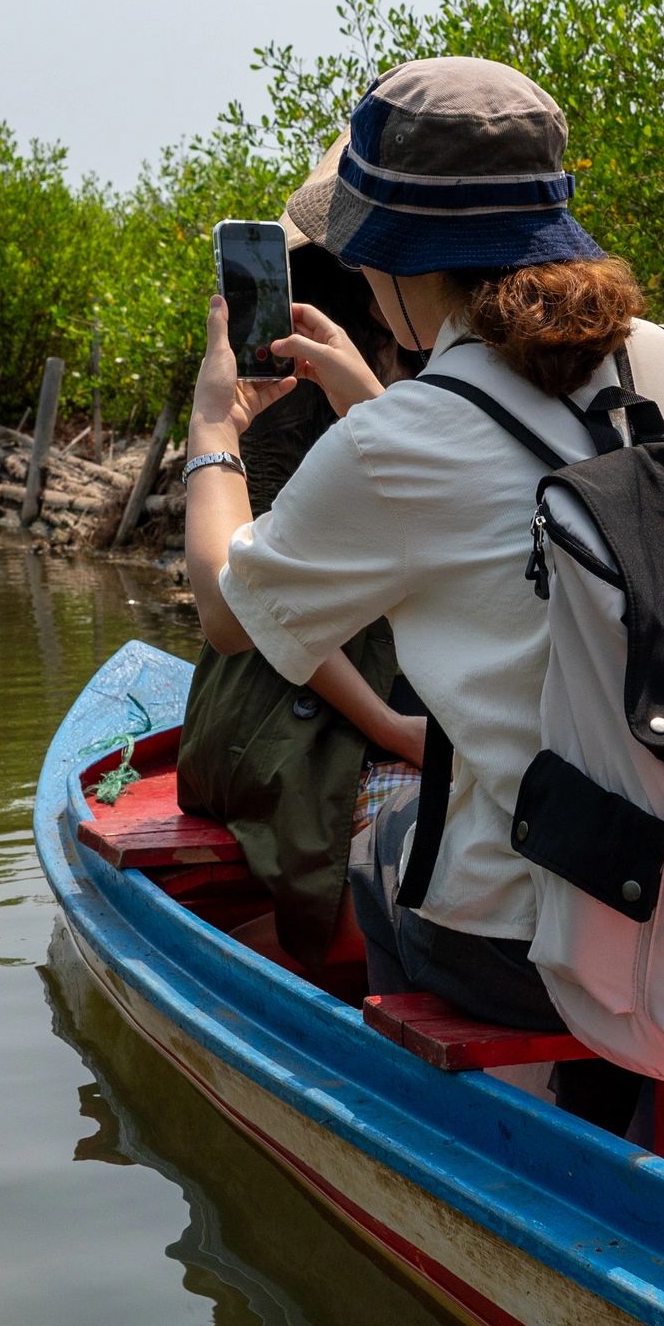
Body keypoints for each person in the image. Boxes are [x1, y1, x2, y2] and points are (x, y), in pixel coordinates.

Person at [180, 57, 664, 1131]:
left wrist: (213, 431)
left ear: (385, 256)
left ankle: (497, 1128)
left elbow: (222, 604)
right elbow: (503, 461)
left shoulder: (405, 436)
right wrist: (372, 399)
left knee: (380, 856)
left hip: (558, 933)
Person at [177, 146, 424, 981]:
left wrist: (211, 429)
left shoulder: (368, 375)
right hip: (344, 671)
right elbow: (281, 603)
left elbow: (238, 603)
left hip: (373, 675)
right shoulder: (327, 377)